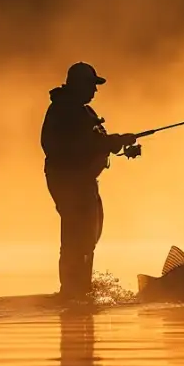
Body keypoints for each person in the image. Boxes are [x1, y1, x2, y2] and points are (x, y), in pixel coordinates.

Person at [41, 62, 138, 301]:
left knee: (86, 237)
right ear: (78, 85)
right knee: (78, 237)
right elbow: (80, 145)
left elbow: (93, 143)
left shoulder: (78, 111)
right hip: (72, 184)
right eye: (91, 85)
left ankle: (79, 288)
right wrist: (114, 141)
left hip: (81, 182)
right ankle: (73, 292)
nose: (95, 90)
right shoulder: (65, 111)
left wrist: (118, 145)